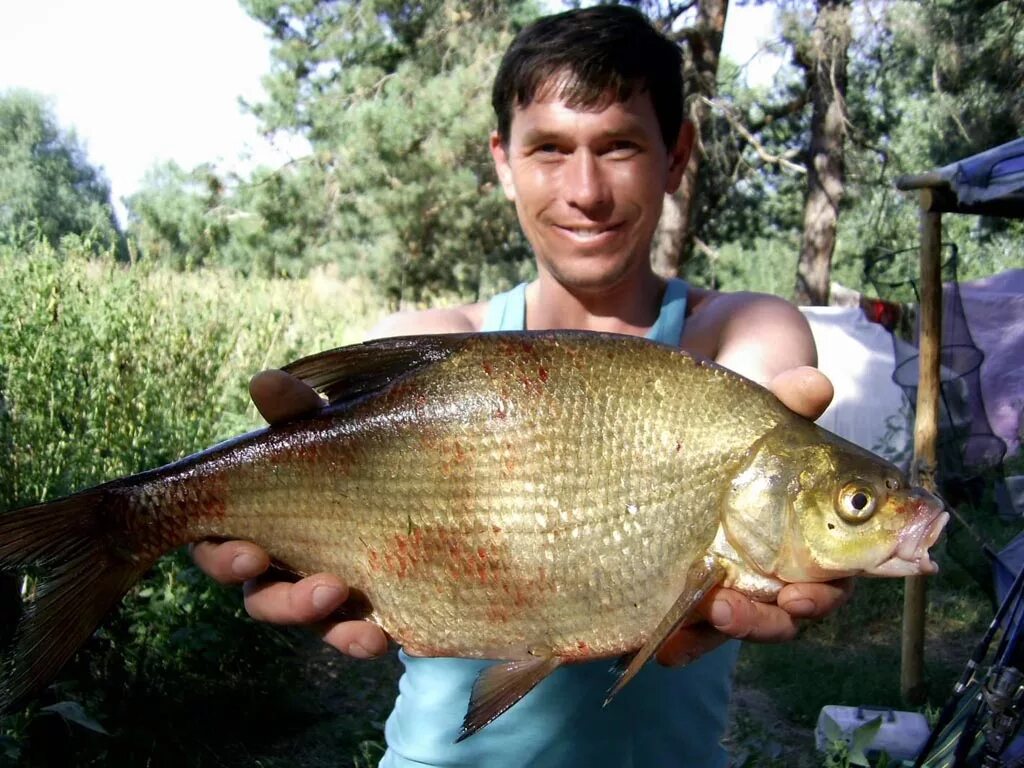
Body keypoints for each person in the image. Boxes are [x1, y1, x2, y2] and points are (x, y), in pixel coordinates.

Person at [193, 6, 850, 765]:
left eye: (618, 146)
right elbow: (287, 483)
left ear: (677, 154)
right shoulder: (432, 336)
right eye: (548, 149)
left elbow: (780, 458)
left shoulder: (738, 339)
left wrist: (829, 534)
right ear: (502, 160)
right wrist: (221, 514)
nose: (585, 190)